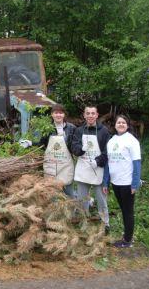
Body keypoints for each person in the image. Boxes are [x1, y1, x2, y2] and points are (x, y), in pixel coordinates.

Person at [103, 115, 141, 248]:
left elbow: (137, 163)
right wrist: (105, 182)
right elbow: (108, 163)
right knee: (123, 209)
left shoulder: (132, 141)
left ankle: (127, 240)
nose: (121, 124)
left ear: (127, 125)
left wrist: (135, 183)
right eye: (119, 122)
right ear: (115, 125)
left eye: (123, 122)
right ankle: (127, 236)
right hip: (116, 182)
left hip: (127, 183)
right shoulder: (112, 141)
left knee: (127, 211)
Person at [72, 105, 111, 233]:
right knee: (82, 200)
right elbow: (75, 148)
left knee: (101, 199)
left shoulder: (104, 131)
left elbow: (107, 151)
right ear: (84, 115)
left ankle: (105, 224)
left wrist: (98, 161)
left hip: (98, 169)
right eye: (87, 113)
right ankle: (84, 222)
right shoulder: (78, 130)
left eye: (92, 113)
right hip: (83, 169)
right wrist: (80, 149)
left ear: (97, 115)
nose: (90, 115)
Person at [40, 104, 76, 197]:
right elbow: (42, 145)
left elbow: (75, 146)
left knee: (69, 194)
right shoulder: (47, 128)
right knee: (52, 195)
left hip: (65, 166)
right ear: (52, 114)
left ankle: (71, 211)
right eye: (56, 113)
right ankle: (55, 211)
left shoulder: (71, 128)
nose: (58, 115)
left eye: (60, 113)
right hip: (51, 166)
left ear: (64, 115)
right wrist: (30, 143)